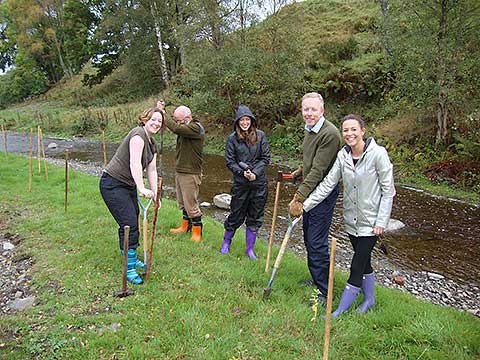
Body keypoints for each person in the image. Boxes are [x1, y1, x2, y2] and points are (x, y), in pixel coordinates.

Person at [298, 114, 395, 317]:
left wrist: (381, 221)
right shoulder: (343, 156)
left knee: (357, 264)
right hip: (352, 222)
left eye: (353, 129)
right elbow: (327, 184)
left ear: (362, 131)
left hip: (371, 223)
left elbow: (388, 191)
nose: (349, 134)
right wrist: (304, 205)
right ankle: (369, 300)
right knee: (365, 261)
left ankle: (339, 311)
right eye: (345, 130)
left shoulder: (378, 154)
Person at [100, 107, 164, 285]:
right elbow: (135, 163)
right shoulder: (137, 134)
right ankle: (129, 268)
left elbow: (151, 169)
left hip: (126, 185)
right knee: (129, 223)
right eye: (153, 119)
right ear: (144, 119)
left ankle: (128, 255)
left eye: (160, 121)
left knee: (130, 221)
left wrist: (156, 196)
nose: (156, 123)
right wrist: (141, 188)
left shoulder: (152, 144)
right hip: (112, 183)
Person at [288, 92, 341, 304]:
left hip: (323, 194)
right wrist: (300, 171)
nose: (309, 113)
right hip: (311, 189)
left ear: (322, 111)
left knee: (316, 241)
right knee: (309, 237)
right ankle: (317, 278)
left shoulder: (330, 134)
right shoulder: (310, 130)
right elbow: (312, 162)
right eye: (306, 109)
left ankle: (325, 291)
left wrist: (298, 197)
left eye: (313, 109)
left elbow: (319, 170)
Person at [220, 105, 270, 260]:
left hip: (259, 184)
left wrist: (255, 173)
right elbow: (230, 161)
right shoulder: (232, 139)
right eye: (242, 120)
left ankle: (250, 249)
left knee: (255, 217)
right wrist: (243, 172)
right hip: (240, 184)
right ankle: (226, 242)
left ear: (252, 121)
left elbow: (265, 158)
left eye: (247, 119)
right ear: (237, 122)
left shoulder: (261, 136)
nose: (245, 122)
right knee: (236, 214)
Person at [165, 105, 205, 242]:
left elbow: (176, 129)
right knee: (183, 202)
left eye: (179, 120)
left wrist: (162, 114)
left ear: (188, 117)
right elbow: (178, 128)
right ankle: (185, 227)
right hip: (181, 170)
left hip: (190, 172)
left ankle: (197, 234)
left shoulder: (195, 127)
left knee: (191, 204)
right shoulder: (186, 127)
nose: (178, 123)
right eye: (176, 120)